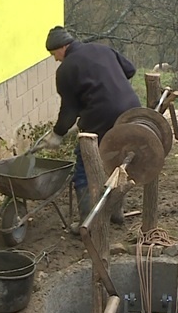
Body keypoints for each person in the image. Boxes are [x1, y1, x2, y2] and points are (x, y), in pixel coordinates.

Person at [38, 26, 141, 232]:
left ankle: (89, 222)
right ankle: (115, 212)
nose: (55, 59)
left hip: (102, 116)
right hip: (132, 111)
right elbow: (130, 70)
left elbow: (69, 109)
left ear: (62, 47)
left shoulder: (66, 70)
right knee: (117, 160)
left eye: (54, 54)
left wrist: (57, 134)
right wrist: (111, 86)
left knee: (85, 165)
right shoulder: (103, 49)